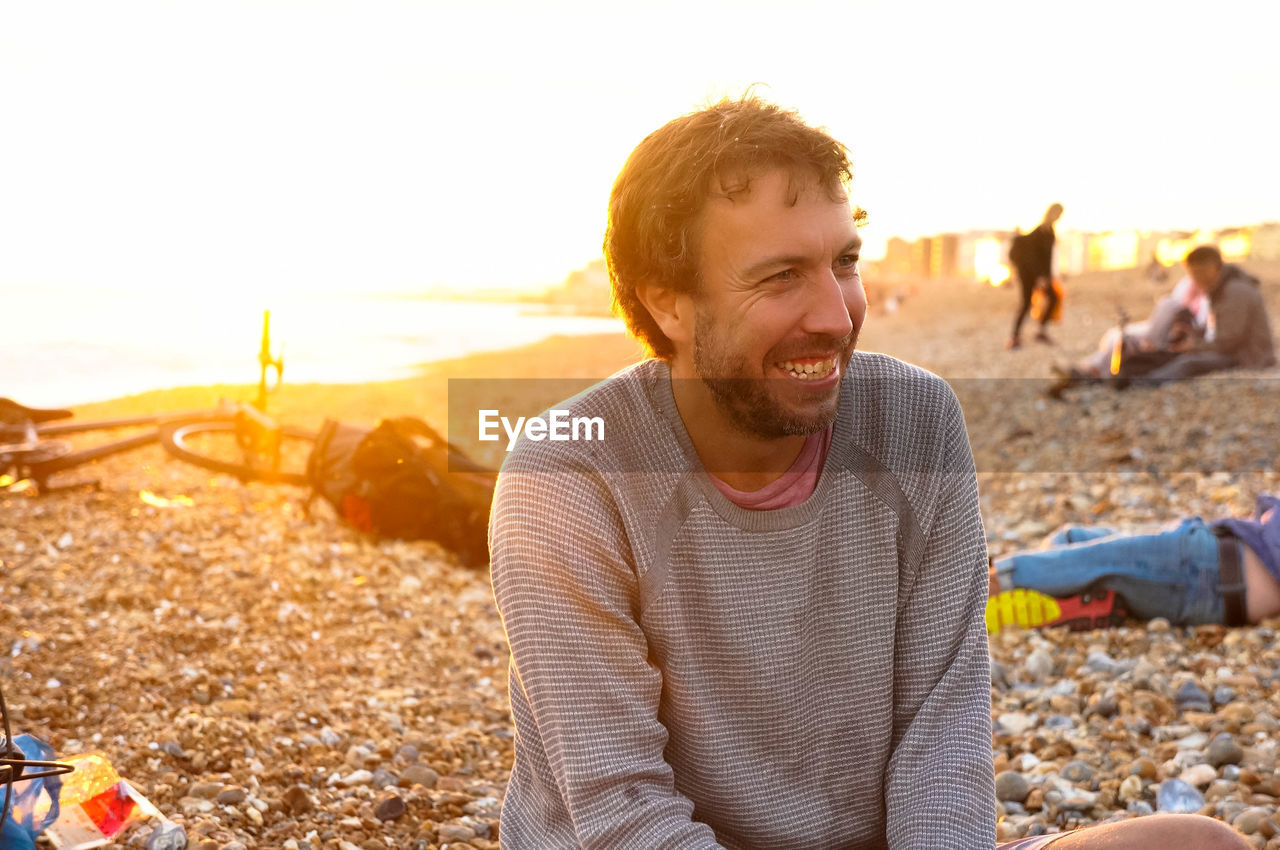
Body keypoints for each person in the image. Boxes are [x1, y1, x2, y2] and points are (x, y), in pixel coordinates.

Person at [488, 97, 1247, 849]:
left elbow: (941, 736)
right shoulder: (567, 477)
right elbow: (623, 812)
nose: (836, 314)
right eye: (781, 276)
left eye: (844, 262)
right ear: (670, 304)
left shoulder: (915, 419)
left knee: (1200, 845)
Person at [987, 494, 1280, 634]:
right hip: (1204, 555)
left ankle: (979, 589)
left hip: (1208, 568)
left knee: (1088, 558)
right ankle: (1078, 602)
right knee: (1072, 538)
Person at [1137, 245, 1276, 384]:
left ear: (1212, 268)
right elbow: (1220, 330)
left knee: (1188, 363)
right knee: (1175, 354)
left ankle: (1141, 384)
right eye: (1191, 273)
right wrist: (1193, 333)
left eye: (1196, 273)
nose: (1194, 279)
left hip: (1250, 357)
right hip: (1236, 351)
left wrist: (1195, 346)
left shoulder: (1235, 292)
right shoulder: (1222, 288)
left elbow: (1229, 341)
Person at [1007, 203, 1064, 350]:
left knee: (1053, 297)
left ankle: (1040, 331)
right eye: (1058, 214)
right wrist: (1040, 276)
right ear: (1051, 213)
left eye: (1060, 214)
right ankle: (1014, 338)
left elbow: (1047, 258)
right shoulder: (1041, 230)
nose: (1059, 217)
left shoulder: (1049, 230)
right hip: (1029, 274)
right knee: (1026, 304)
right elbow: (1033, 256)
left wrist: (1050, 276)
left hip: (1040, 275)